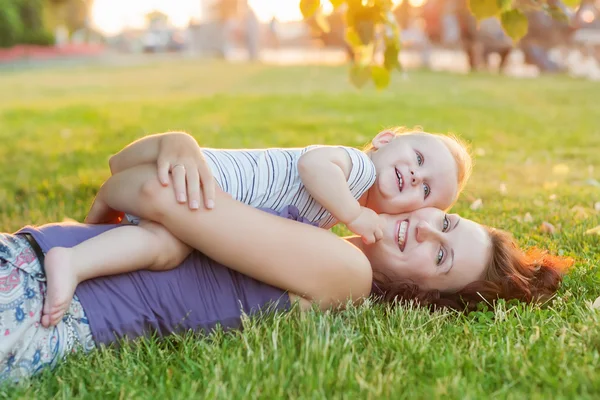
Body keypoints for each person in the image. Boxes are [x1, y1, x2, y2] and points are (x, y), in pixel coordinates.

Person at [1, 156, 572, 383]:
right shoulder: (314, 226)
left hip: (36, 304)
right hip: (32, 262)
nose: (423, 229)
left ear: (421, 295)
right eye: (444, 224)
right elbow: (129, 187)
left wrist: (177, 149)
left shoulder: (343, 271)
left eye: (439, 256)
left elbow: (148, 187)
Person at [42, 128, 473, 326]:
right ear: (383, 140)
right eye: (418, 159)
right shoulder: (354, 170)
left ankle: (77, 253)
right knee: (163, 242)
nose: (416, 178)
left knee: (164, 245)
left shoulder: (339, 262)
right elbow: (312, 165)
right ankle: (78, 250)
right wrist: (356, 215)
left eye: (426, 190)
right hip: (213, 183)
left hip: (193, 194)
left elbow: (139, 184)